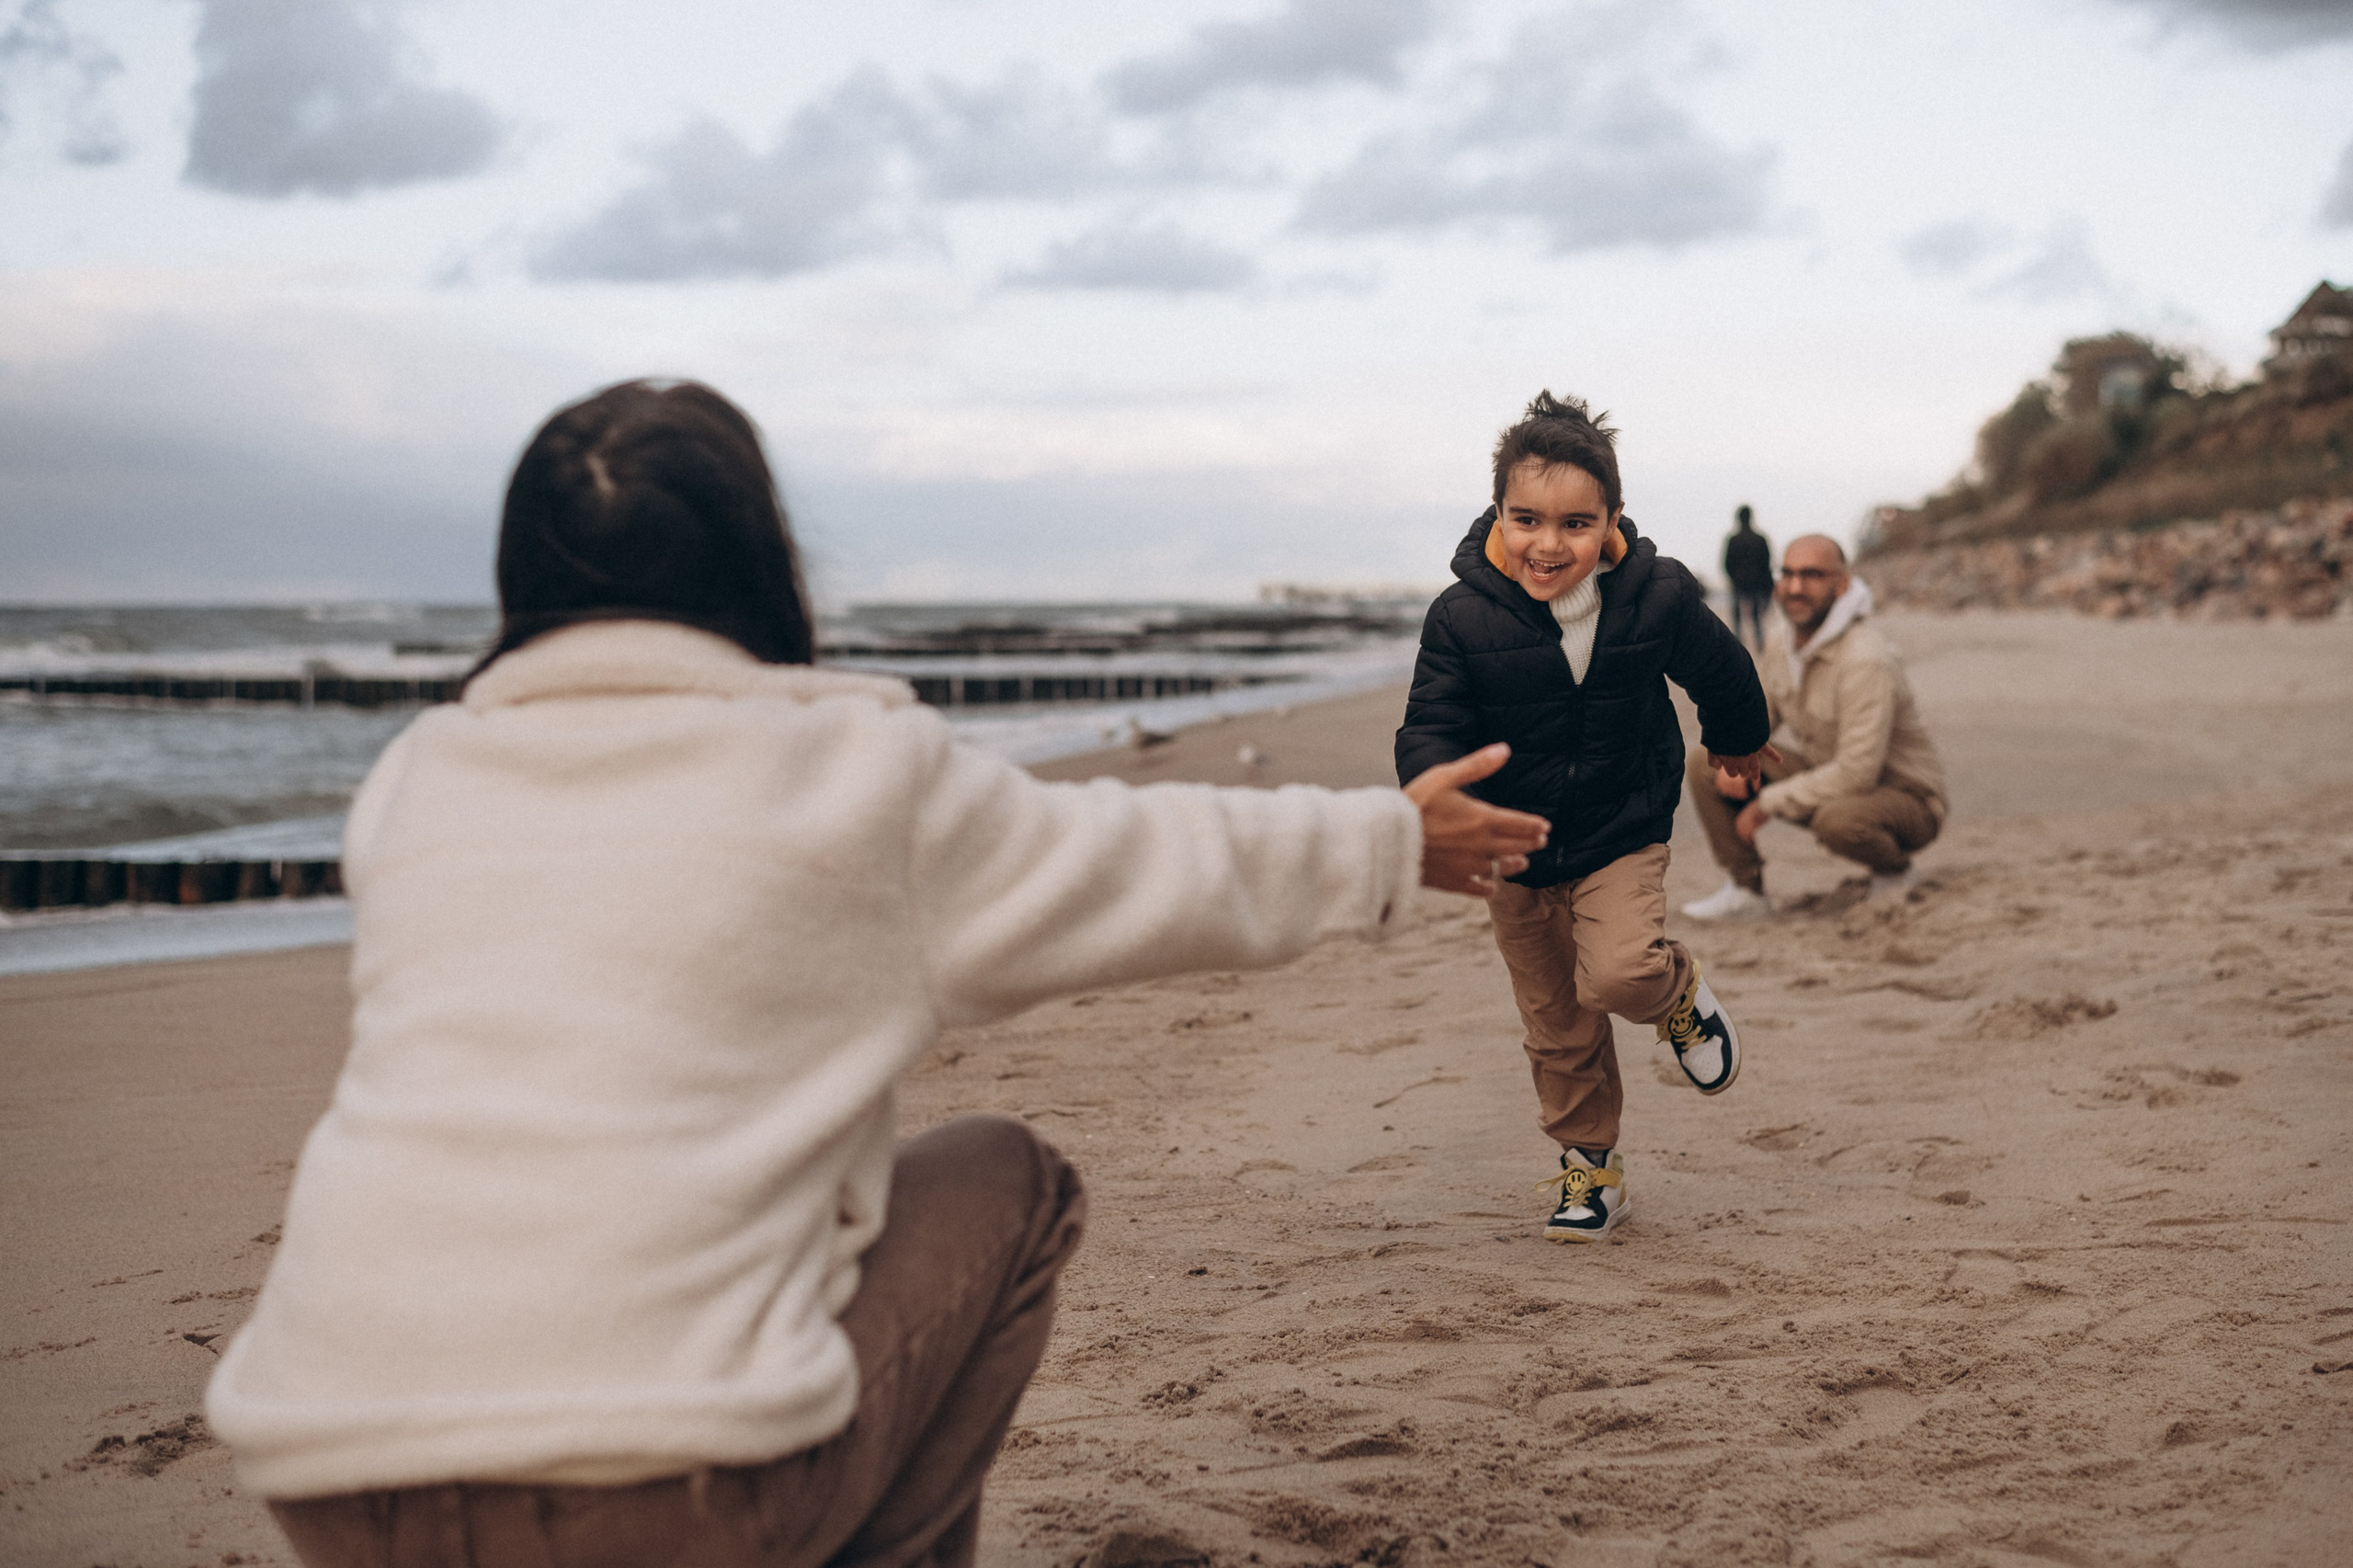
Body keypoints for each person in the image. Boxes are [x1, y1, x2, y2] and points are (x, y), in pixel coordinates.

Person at [206, 380, 1550, 1568]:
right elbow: (1133, 859)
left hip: (331, 1467)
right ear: (759, 565)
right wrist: (1384, 838)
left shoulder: (416, 783)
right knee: (1011, 1181)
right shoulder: (841, 777)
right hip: (670, 1483)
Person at [1394, 391, 1774, 1244]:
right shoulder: (1461, 616)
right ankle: (1591, 1169)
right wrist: (1434, 791)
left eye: (1574, 523)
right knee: (1557, 1021)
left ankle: (1676, 995)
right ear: (1498, 514)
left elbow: (1722, 669)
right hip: (1513, 849)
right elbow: (1431, 724)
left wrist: (1737, 740)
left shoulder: (1656, 595)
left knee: (1617, 975)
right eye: (1526, 519)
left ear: (1611, 521)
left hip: (1621, 825)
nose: (1547, 543)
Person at [1680, 534, 1949, 922]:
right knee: (1710, 762)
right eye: (1787, 573)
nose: (1794, 587)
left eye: (1811, 575)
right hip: (1835, 780)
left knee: (1838, 821)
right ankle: (1746, 891)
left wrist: (1765, 805)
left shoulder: (1865, 659)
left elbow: (1858, 773)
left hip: (1907, 798)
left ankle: (1895, 873)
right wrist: (1735, 750)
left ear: (1841, 584)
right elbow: (1759, 718)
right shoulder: (1781, 640)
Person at [1722, 504, 1773, 648]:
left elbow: (1726, 563)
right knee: (1757, 619)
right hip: (1757, 584)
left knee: (1737, 619)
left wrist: (1734, 578)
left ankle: (1737, 646)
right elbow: (1766, 562)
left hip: (1738, 584)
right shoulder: (1760, 539)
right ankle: (1760, 646)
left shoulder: (1733, 540)